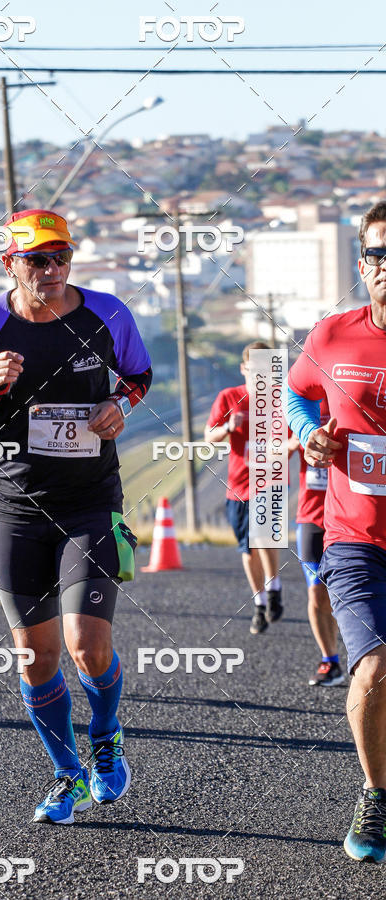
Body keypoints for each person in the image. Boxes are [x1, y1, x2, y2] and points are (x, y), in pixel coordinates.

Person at [0, 208, 152, 824]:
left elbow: (139, 376)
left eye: (61, 256)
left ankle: (106, 737)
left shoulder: (107, 313)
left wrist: (119, 405)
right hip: (15, 506)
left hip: (90, 502)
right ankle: (67, 775)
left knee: (87, 645)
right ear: (9, 264)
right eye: (36, 259)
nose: (52, 269)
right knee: (36, 658)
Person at [287, 199, 386, 862]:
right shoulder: (331, 336)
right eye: (378, 254)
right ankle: (377, 796)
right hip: (354, 537)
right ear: (363, 263)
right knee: (374, 666)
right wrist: (307, 432)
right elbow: (295, 393)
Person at [205, 342, 283, 634]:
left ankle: (274, 588)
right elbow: (208, 435)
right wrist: (228, 427)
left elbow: (293, 435)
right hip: (238, 485)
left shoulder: (279, 399)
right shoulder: (229, 397)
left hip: (269, 482)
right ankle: (260, 602)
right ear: (243, 368)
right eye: (254, 369)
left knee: (264, 537)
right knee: (248, 548)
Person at [291, 398, 343, 687]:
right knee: (316, 593)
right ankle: (330, 660)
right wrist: (297, 440)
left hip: (352, 515)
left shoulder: (353, 397)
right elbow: (270, 452)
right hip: (312, 514)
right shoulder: (301, 403)